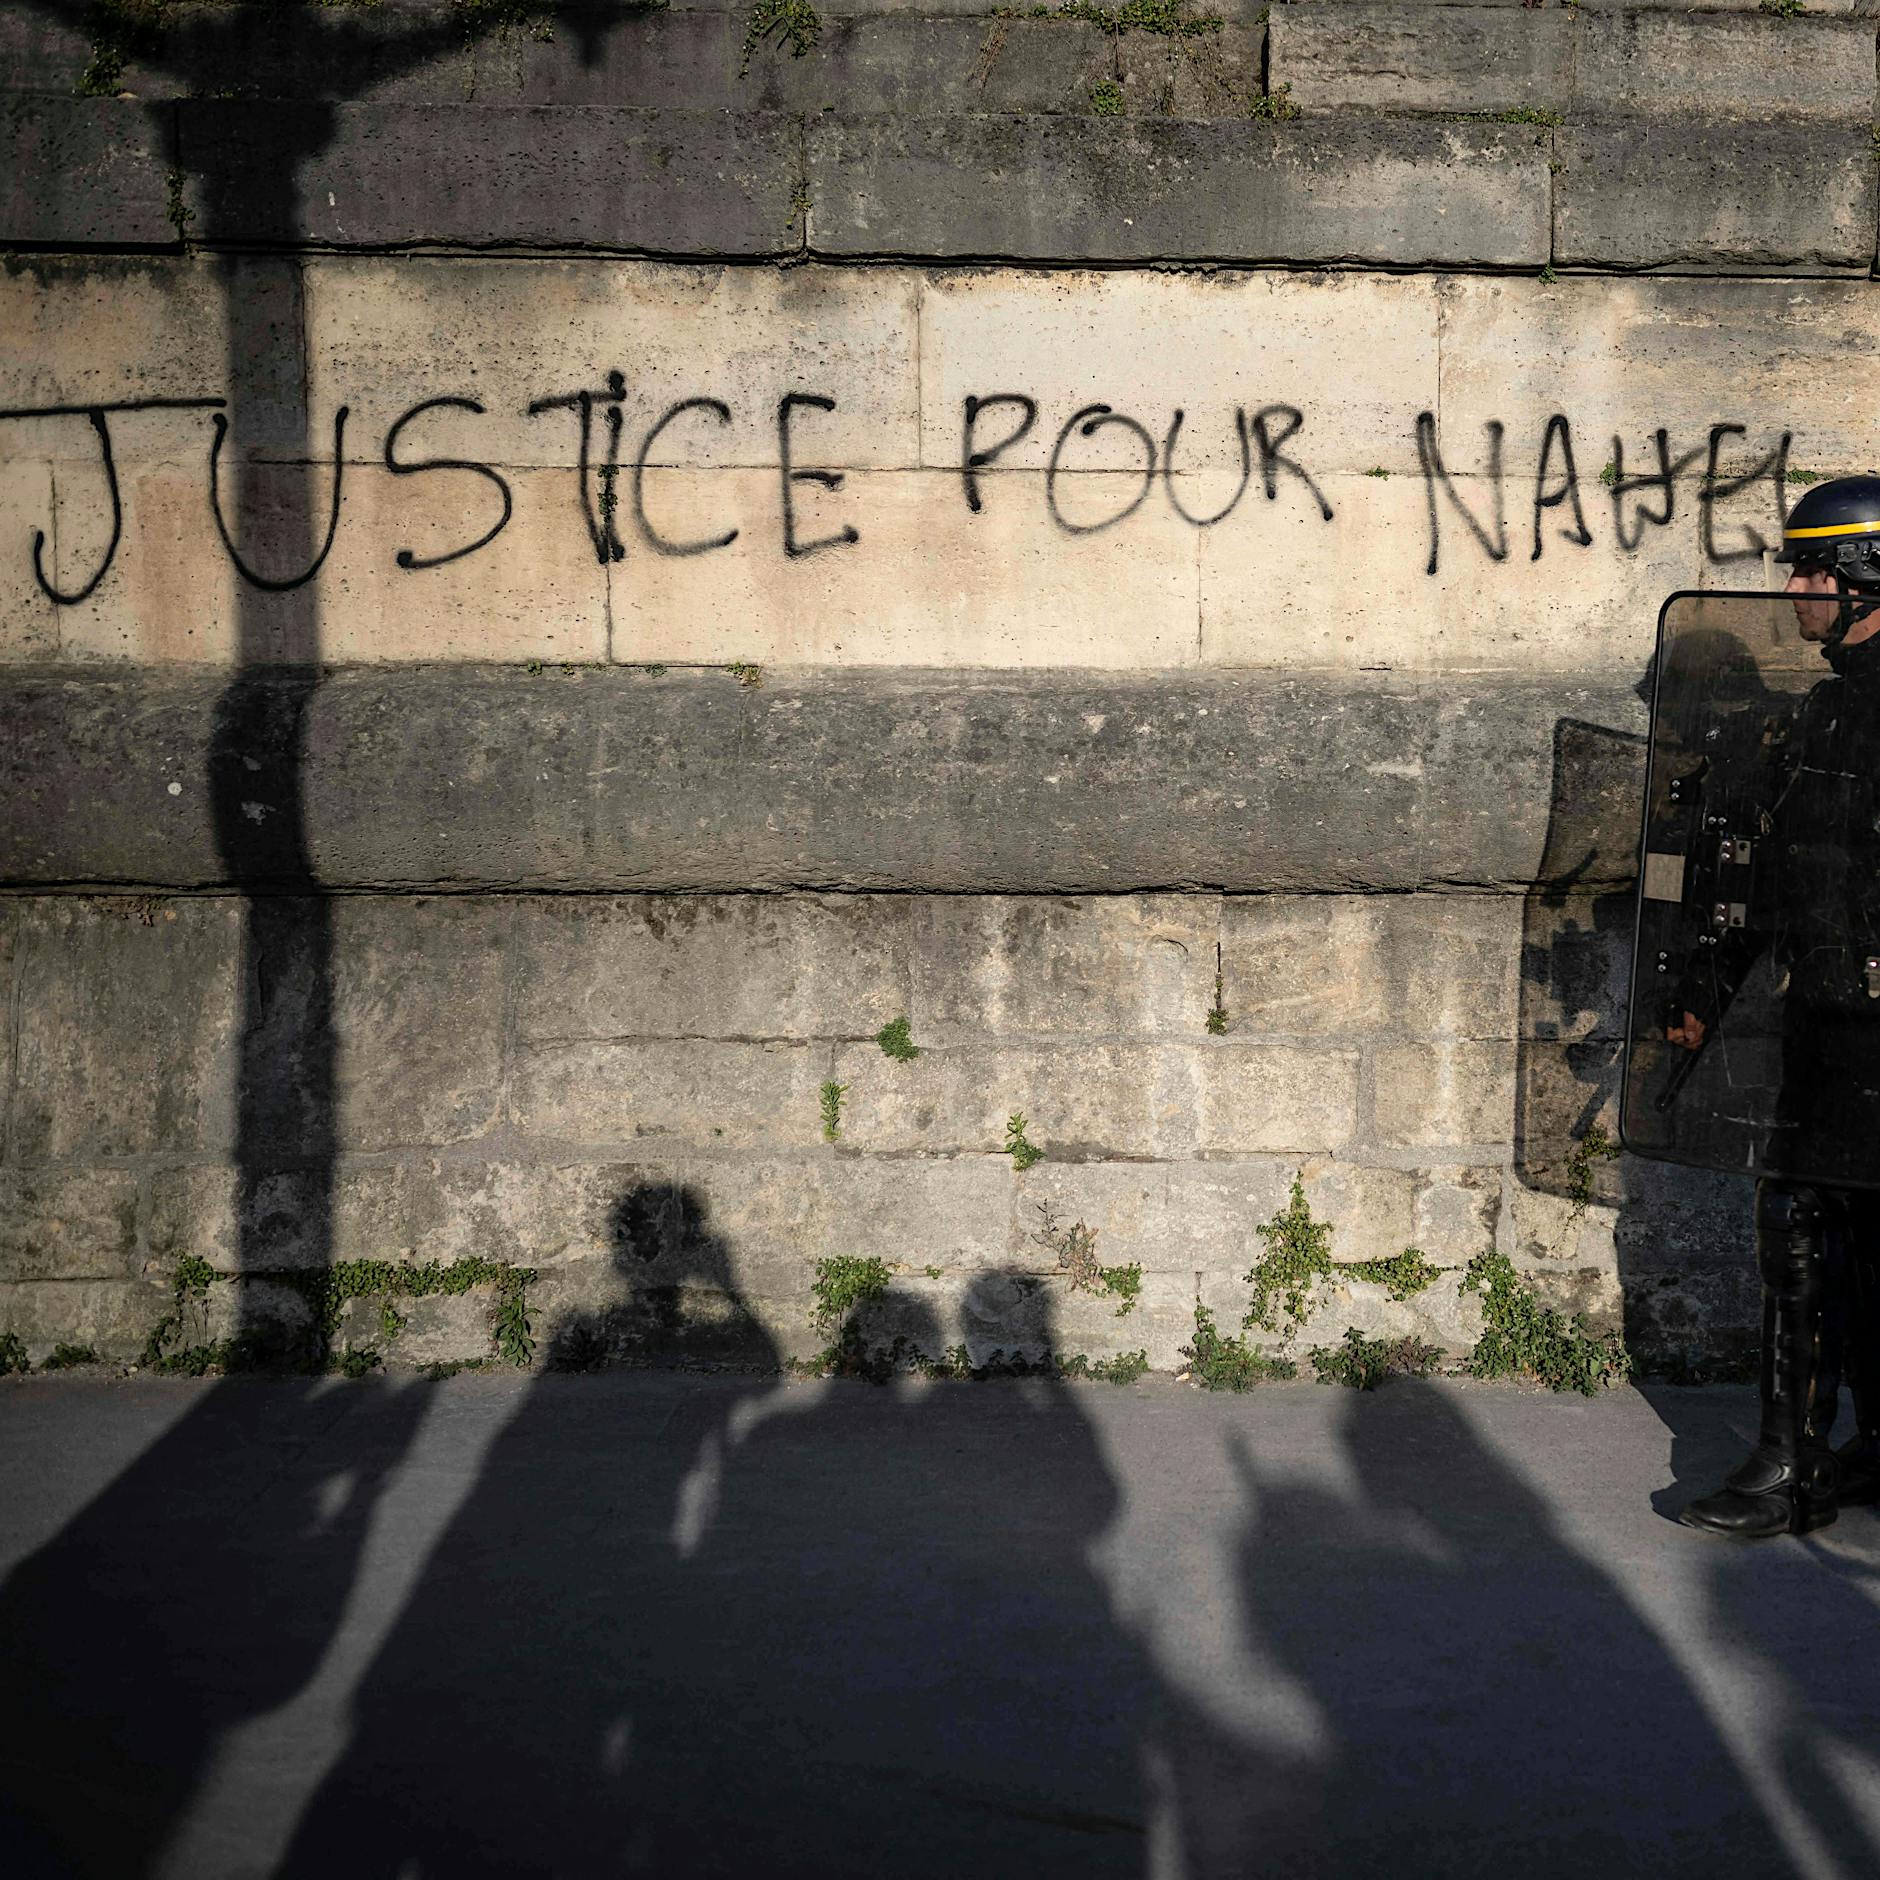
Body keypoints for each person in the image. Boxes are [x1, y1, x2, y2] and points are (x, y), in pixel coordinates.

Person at [1669, 477, 1880, 1538]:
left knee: (1797, 1226)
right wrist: (1704, 993)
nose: (1794, 588)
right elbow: (1783, 875)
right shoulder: (1828, 706)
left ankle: (1785, 1468)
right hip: (1835, 1025)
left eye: (1813, 571)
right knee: (1847, 1232)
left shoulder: (1851, 708)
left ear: (1863, 583)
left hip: (1859, 1031)